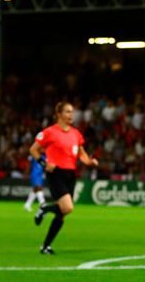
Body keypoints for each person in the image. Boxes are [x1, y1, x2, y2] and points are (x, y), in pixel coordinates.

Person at [30, 102, 99, 254]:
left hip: (70, 174)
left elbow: (82, 154)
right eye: (67, 112)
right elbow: (33, 149)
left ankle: (45, 246)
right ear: (59, 114)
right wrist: (44, 163)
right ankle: (44, 208)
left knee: (62, 214)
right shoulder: (50, 132)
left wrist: (90, 162)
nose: (71, 115)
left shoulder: (76, 134)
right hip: (56, 174)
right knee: (67, 207)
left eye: (72, 112)